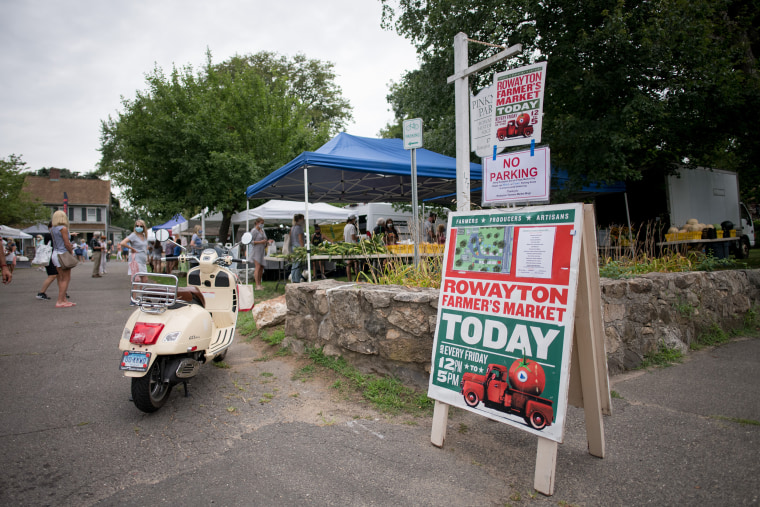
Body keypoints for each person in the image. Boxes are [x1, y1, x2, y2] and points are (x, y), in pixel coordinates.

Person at [50, 210, 76, 308]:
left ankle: (63, 299)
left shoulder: (53, 229)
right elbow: (66, 242)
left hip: (55, 253)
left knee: (60, 278)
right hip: (62, 253)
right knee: (66, 278)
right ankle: (60, 300)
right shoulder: (63, 228)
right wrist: (71, 251)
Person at [120, 219, 149, 285]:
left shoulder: (144, 236)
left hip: (142, 260)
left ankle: (142, 294)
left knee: (145, 280)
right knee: (136, 280)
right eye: (137, 226)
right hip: (136, 259)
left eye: (141, 226)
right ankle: (134, 295)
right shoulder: (133, 235)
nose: (139, 227)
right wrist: (131, 248)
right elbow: (122, 243)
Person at [36, 222, 59, 300]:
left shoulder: (49, 235)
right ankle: (41, 292)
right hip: (50, 258)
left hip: (50, 257)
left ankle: (62, 292)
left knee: (57, 275)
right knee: (52, 275)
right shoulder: (50, 235)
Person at [250, 218, 272, 290]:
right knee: (258, 267)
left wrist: (267, 242)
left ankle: (260, 283)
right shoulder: (254, 231)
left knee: (261, 267)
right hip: (257, 250)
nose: (262, 224)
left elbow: (264, 240)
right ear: (257, 223)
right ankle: (257, 285)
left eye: (263, 223)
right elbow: (251, 241)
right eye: (261, 223)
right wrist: (260, 242)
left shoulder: (262, 231)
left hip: (262, 250)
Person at [343, 214, 360, 281]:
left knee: (348, 264)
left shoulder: (345, 226)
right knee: (356, 262)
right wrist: (358, 236)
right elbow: (353, 237)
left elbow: (343, 237)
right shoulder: (352, 226)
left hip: (347, 246)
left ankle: (349, 280)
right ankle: (358, 279)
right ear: (353, 219)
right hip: (353, 246)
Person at [290, 214, 305, 284]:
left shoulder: (292, 227)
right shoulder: (299, 228)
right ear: (299, 219)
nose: (304, 220)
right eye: (303, 219)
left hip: (293, 247)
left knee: (294, 264)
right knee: (297, 265)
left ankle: (293, 279)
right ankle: (296, 280)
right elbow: (300, 239)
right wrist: (302, 249)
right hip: (298, 248)